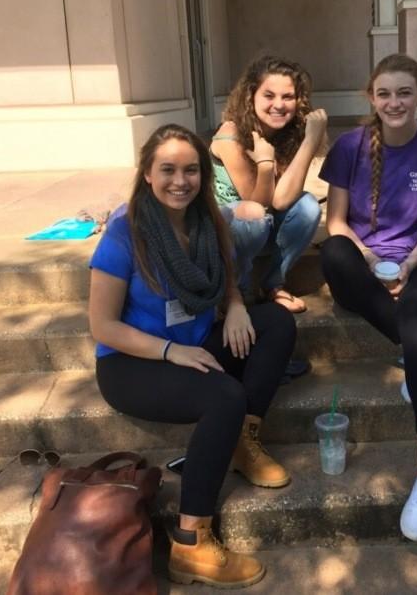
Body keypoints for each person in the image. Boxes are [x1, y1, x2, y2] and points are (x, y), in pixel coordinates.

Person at [88, 124, 296, 589]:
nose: (179, 181)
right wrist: (170, 350)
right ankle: (190, 543)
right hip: (132, 361)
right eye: (167, 170)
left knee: (277, 322)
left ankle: (243, 440)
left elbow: (226, 280)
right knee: (224, 396)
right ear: (146, 174)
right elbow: (102, 326)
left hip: (193, 342)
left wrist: (239, 306)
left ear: (204, 174)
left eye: (190, 170)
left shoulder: (208, 223)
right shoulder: (125, 235)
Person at [319, 54, 417, 541]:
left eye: (404, 92)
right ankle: (416, 360)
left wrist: (404, 266)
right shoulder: (349, 146)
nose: (394, 102)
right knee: (334, 253)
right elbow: (335, 222)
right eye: (384, 93)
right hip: (360, 267)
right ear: (371, 97)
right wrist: (369, 262)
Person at [211, 55, 326, 313]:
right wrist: (264, 165)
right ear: (251, 97)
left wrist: (310, 141)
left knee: (308, 207)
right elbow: (257, 205)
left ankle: (273, 283)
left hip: (262, 226)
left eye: (288, 97)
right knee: (254, 219)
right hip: (225, 234)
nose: (279, 105)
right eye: (269, 95)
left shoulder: (287, 135)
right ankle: (235, 292)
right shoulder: (231, 135)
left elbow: (282, 200)